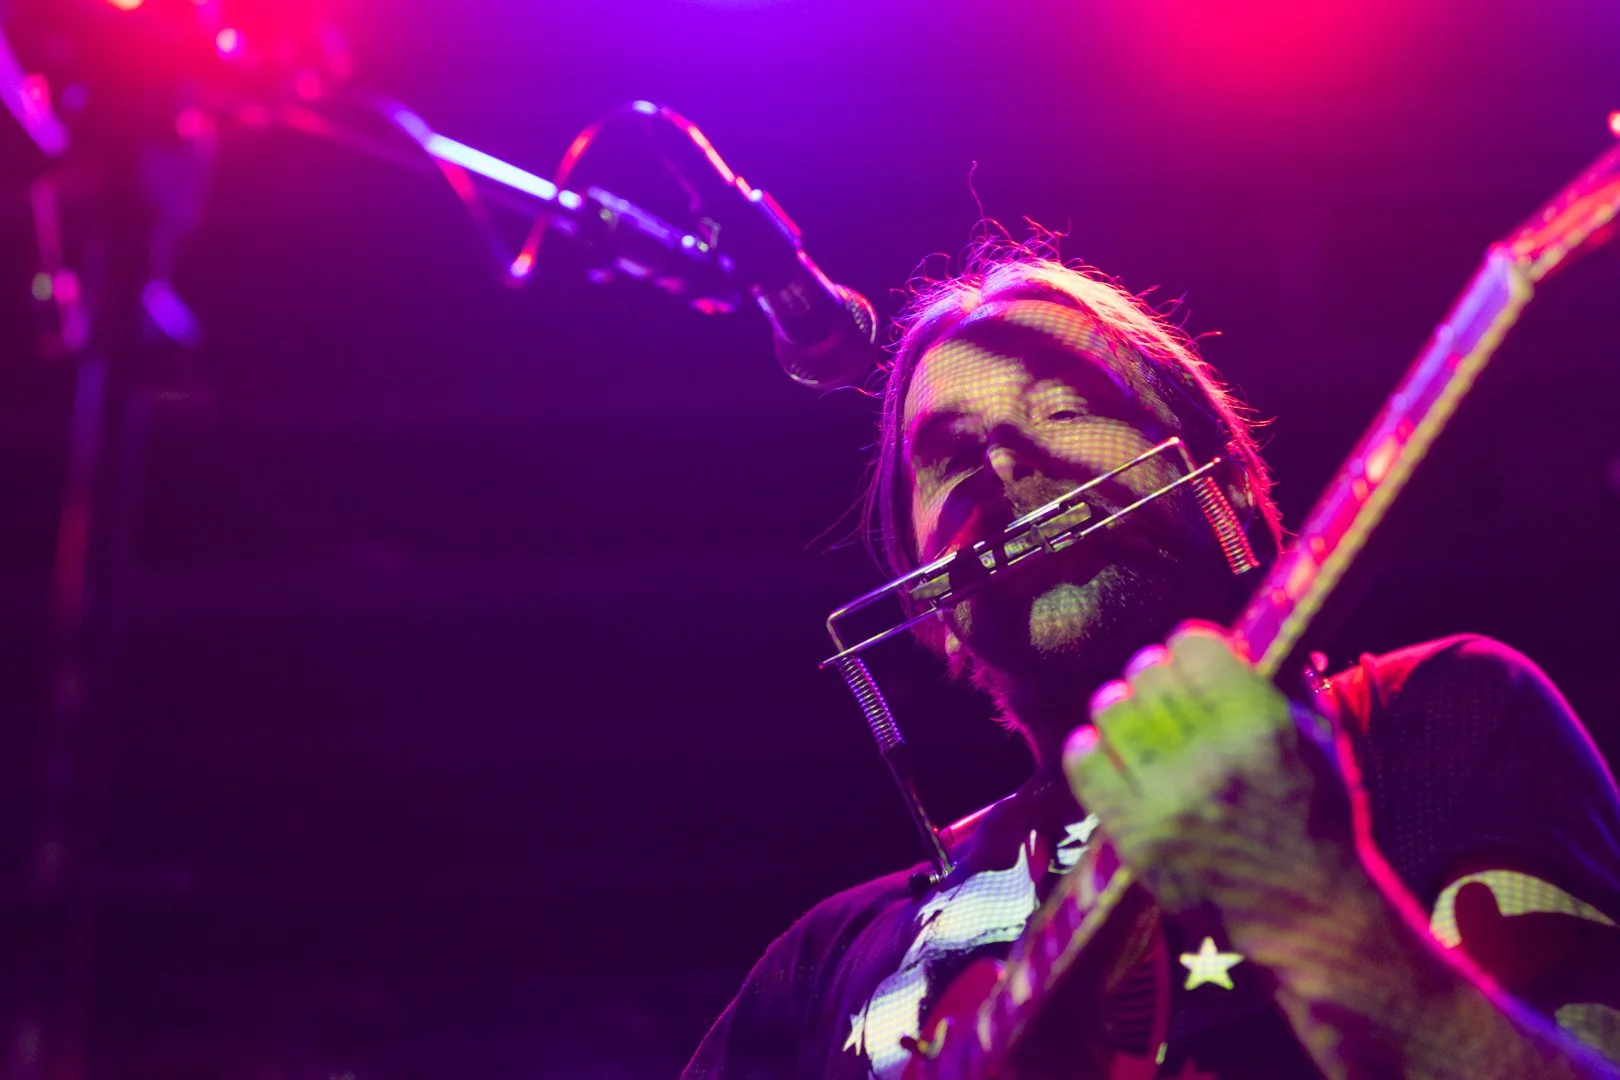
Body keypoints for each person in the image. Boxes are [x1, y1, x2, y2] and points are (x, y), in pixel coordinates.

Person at [681, 239, 1620, 1080]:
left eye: (1067, 405)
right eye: (949, 452)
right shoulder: (819, 964)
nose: (1003, 460)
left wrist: (1314, 912)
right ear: (927, 609)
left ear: (1227, 494)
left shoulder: (1429, 717)